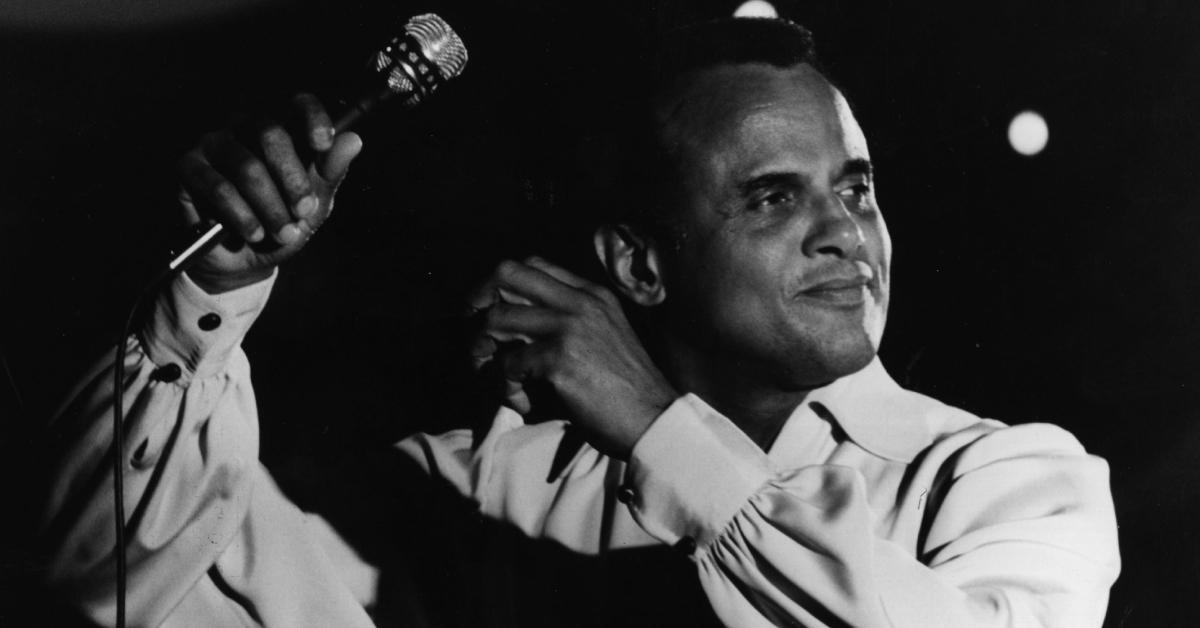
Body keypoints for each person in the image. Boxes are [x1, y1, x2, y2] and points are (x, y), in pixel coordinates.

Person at [38, 17, 1119, 627]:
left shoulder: (1010, 481)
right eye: (773, 196)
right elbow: (125, 587)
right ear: (640, 266)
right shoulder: (482, 486)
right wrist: (207, 299)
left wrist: (662, 431)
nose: (846, 230)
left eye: (859, 185)